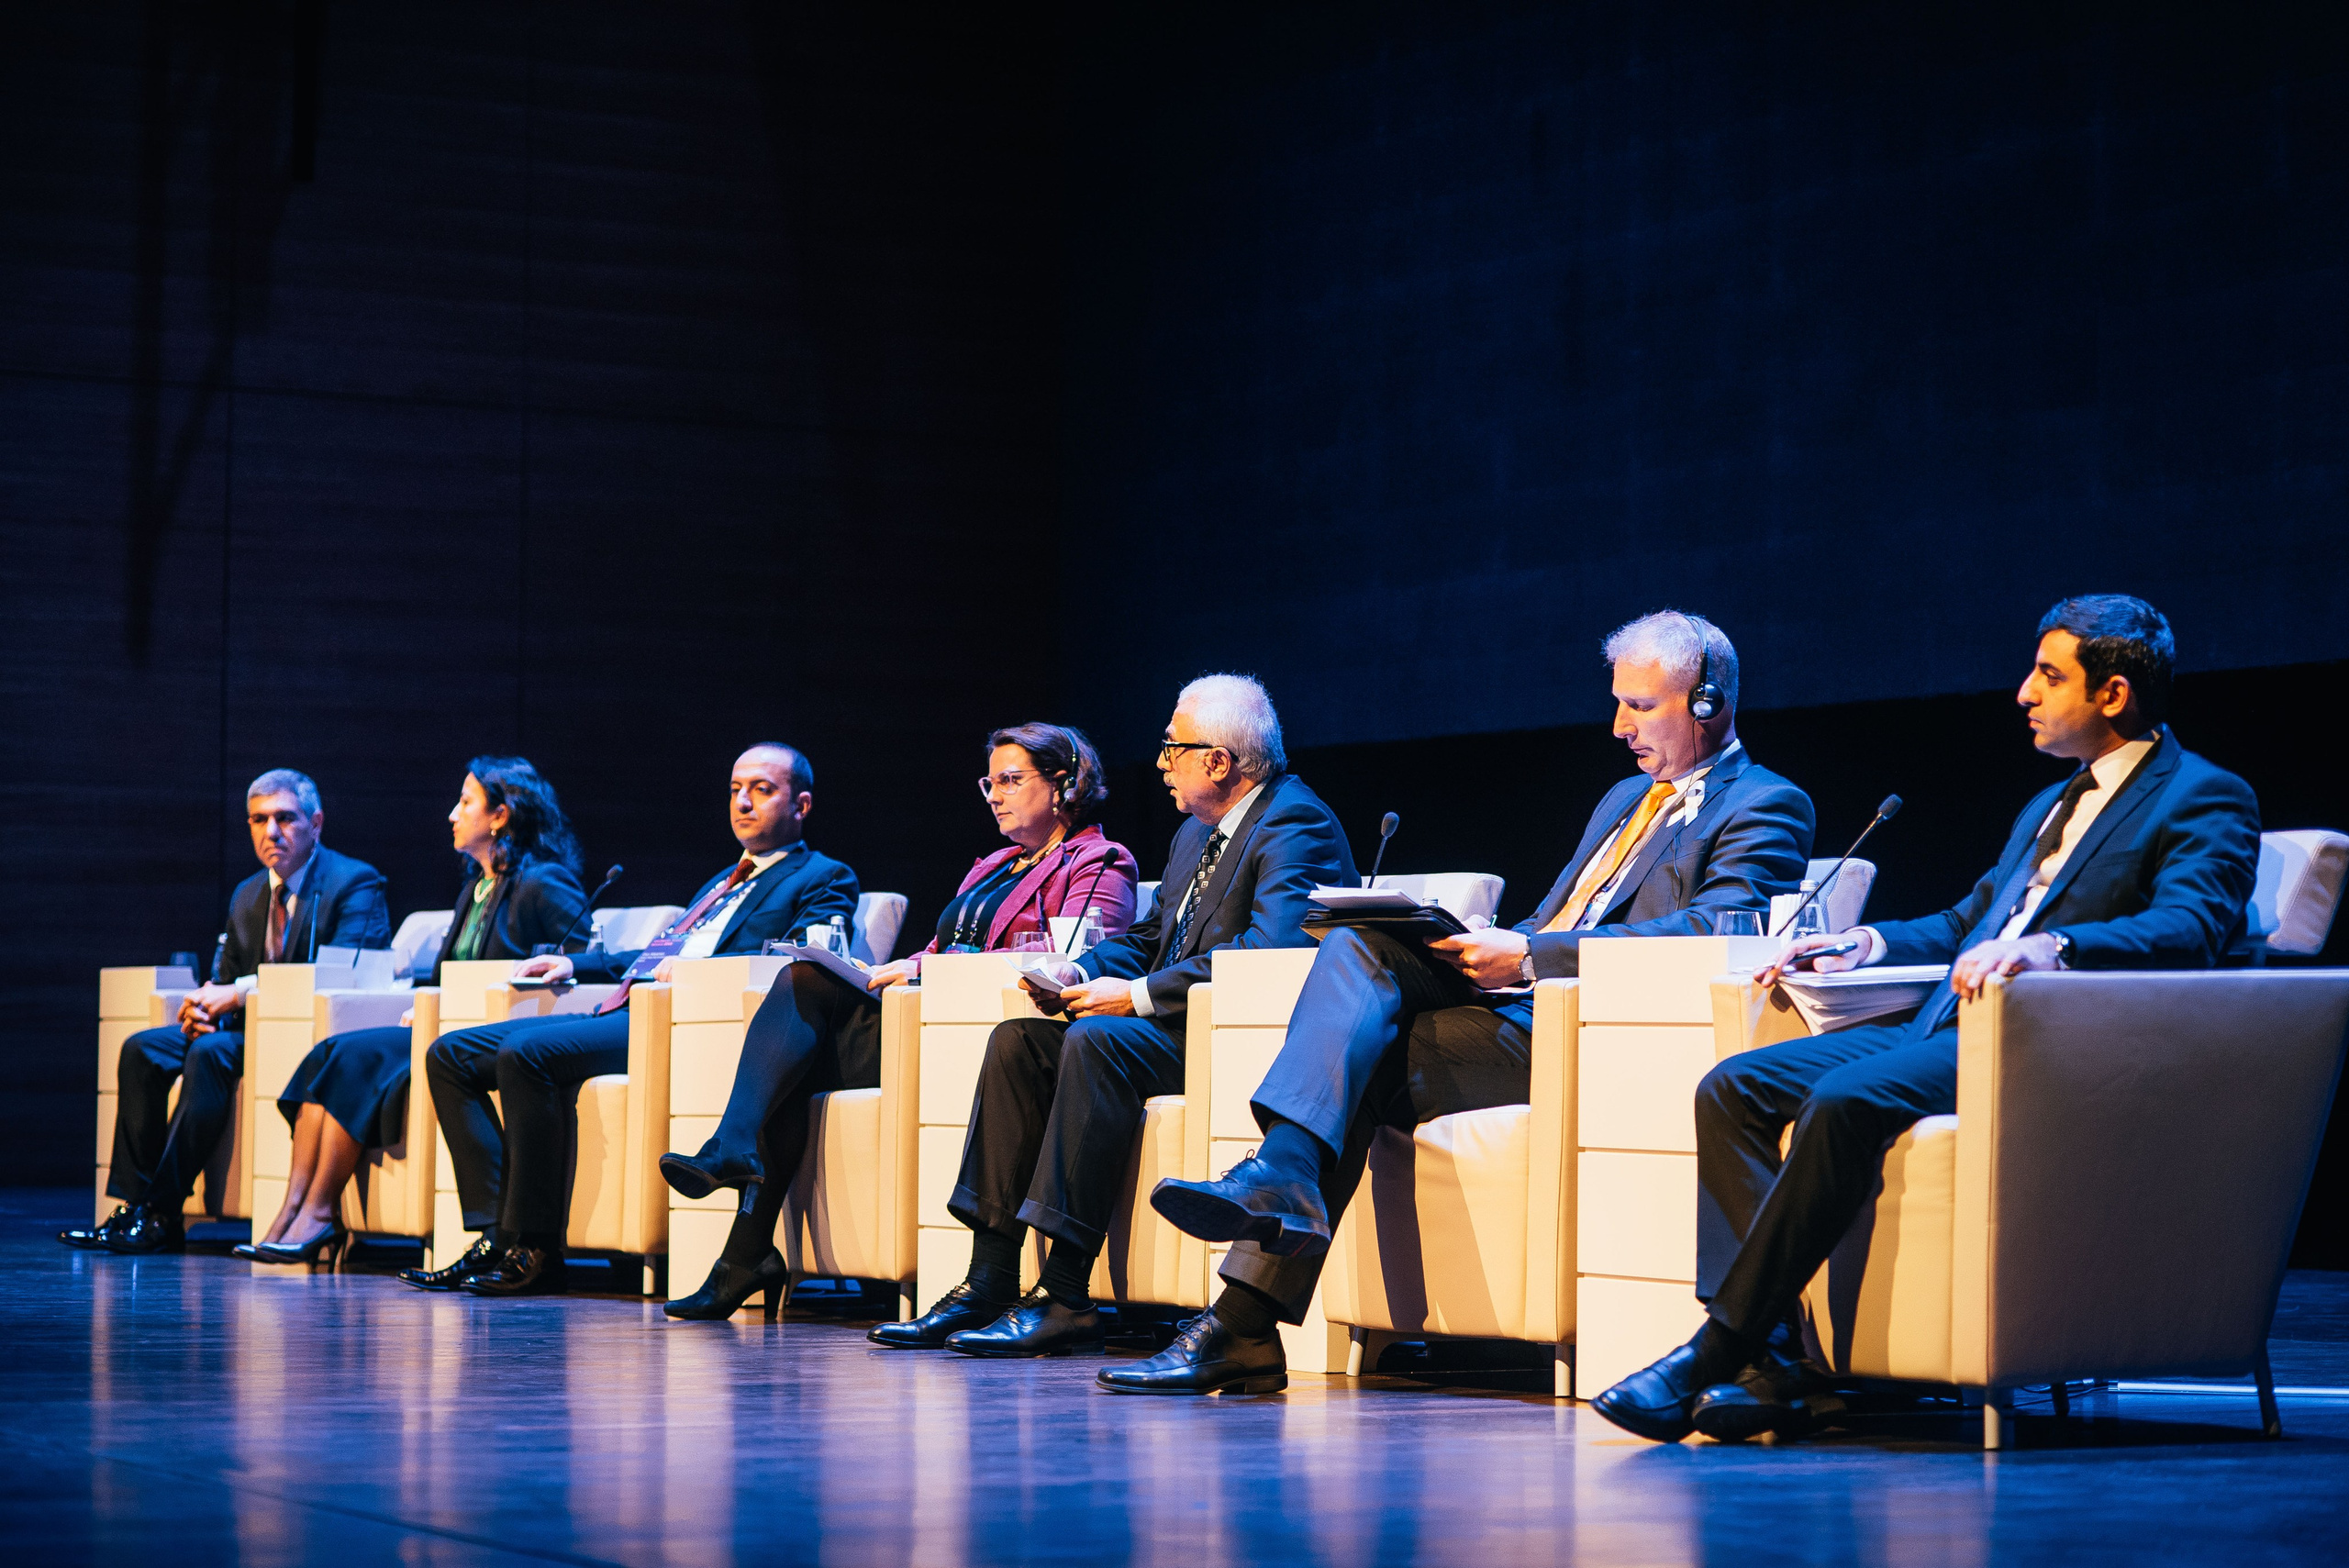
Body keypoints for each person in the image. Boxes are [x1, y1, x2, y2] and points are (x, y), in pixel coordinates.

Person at [1591, 595, 2261, 1444]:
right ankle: (1780, 1362)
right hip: (1949, 1025)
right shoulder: (2050, 804)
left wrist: (2054, 946)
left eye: (2049, 676)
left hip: (2046, 1044)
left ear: (2114, 694)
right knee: (1735, 1086)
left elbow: (2191, 929)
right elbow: (1962, 920)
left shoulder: (2204, 797)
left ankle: (1713, 1350)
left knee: (1842, 1098)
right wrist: (1856, 940)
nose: (2024, 692)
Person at [1128, 611, 1818, 1394]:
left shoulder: (1765, 802)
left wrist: (1528, 954)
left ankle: (1245, 1312)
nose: (1619, 726)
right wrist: (1484, 940)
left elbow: (1708, 930)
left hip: (1590, 1035)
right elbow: (1559, 912)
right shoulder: (1624, 798)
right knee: (1360, 943)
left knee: (1347, 1070)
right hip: (1519, 1010)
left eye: (1641, 706)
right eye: (1618, 702)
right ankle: (1269, 1223)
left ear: (1708, 702)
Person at [870, 673, 1357, 1358]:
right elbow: (1149, 936)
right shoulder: (1196, 834)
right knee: (1019, 1042)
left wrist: (1133, 995)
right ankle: (987, 1278)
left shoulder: (1294, 820)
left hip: (1242, 1038)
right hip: (1177, 1024)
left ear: (1218, 761)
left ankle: (1065, 1292)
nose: (1159, 764)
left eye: (1171, 749)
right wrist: (1082, 970)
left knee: (1098, 1040)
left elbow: (1268, 953)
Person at [658, 723, 1141, 1321]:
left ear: (1064, 785)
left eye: (1012, 780)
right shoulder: (993, 864)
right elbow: (942, 945)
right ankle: (741, 1242)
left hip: (997, 1027)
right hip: (927, 1021)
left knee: (798, 1012)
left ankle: (735, 1189)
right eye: (989, 781)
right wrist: (898, 967)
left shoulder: (1099, 860)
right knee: (796, 1021)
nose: (994, 793)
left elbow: (1088, 957)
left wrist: (934, 972)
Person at [401, 743, 859, 1298]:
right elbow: (655, 954)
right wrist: (577, 962)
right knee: (449, 1054)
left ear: (802, 804)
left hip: (694, 1023)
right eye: (735, 790)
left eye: (761, 790)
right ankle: (494, 1234)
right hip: (633, 1007)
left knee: (524, 1056)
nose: (742, 802)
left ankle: (535, 1246)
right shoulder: (724, 880)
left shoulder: (823, 876)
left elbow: (806, 962)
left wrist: (696, 973)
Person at [234, 759, 589, 1263]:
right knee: (332, 1051)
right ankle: (291, 1209)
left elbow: (579, 964)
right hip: (446, 1025)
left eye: (465, 802)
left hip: (489, 1031)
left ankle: (316, 1214)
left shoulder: (542, 882)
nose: (451, 814)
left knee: (361, 1057)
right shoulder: (476, 887)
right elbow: (445, 975)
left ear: (500, 816)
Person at [63, 770, 389, 1256]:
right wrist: (206, 1010)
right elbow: (227, 977)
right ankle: (133, 1205)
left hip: (313, 1038)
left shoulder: (354, 884)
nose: (270, 832)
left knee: (212, 1054)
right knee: (144, 1050)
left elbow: (341, 978)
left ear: (316, 823)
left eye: (285, 818)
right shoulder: (248, 893)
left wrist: (234, 997)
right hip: (248, 1032)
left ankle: (161, 1210)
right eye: (258, 820)